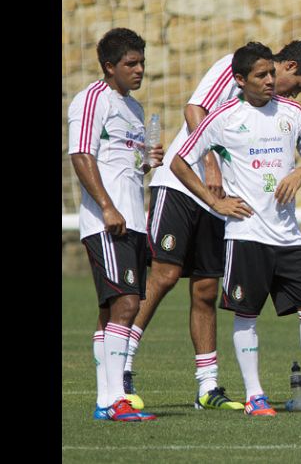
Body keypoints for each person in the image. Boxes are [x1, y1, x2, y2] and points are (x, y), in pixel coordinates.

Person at [124, 40, 301, 411]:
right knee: (165, 276)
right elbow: (194, 108)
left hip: (226, 201)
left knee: (206, 287)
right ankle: (122, 365)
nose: (294, 93)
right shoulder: (232, 67)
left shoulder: (283, 112)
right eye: (297, 85)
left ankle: (208, 386)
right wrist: (213, 165)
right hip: (183, 187)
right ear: (288, 66)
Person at [170, 42, 301, 416]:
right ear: (240, 80)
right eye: (261, 76)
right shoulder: (223, 118)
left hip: (288, 235)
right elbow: (179, 162)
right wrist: (215, 202)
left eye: (271, 73)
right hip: (246, 236)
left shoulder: (293, 113)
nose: (270, 81)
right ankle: (255, 396)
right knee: (247, 315)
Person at [68, 28, 163, 421]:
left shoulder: (135, 110)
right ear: (109, 67)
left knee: (112, 310)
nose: (139, 70)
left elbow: (125, 166)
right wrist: (107, 208)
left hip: (132, 221)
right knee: (126, 303)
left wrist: (147, 161)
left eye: (141, 62)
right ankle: (112, 398)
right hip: (107, 221)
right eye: (130, 64)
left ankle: (106, 401)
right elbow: (81, 155)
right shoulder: (92, 99)